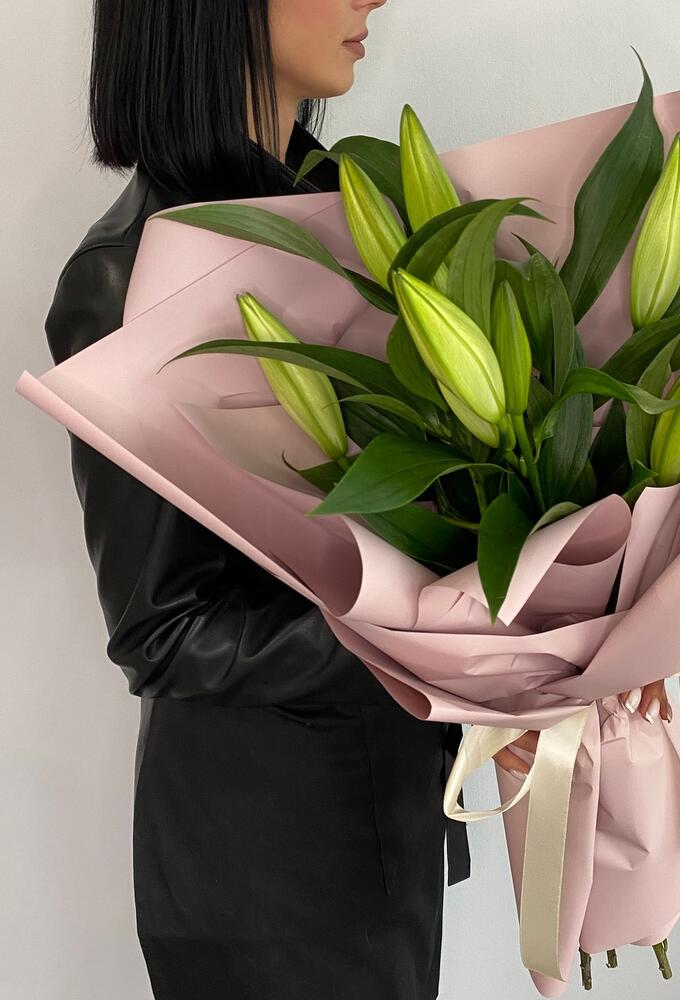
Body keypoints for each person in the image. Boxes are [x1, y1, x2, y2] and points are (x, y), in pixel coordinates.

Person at [42, 2, 470, 998]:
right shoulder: (127, 276)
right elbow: (163, 630)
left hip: (387, 823)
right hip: (262, 873)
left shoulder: (354, 217)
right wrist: (429, 644)